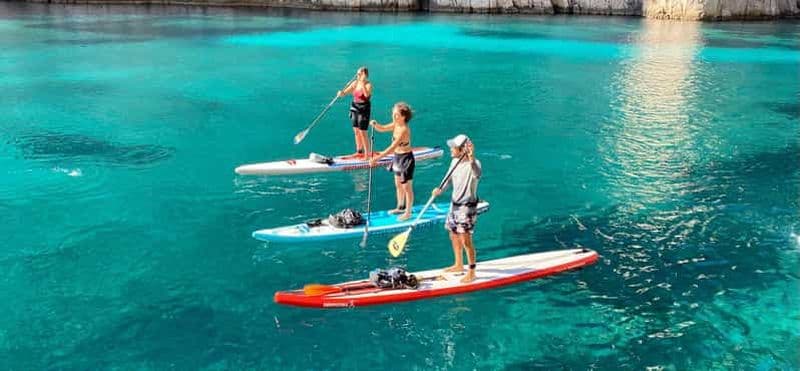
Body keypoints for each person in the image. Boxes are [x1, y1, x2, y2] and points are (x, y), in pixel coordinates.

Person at [432, 134, 481, 283]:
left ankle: (472, 272)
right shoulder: (454, 162)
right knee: (453, 234)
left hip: (467, 208)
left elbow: (477, 174)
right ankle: (459, 264)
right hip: (454, 205)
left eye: (454, 147)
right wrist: (439, 190)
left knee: (466, 240)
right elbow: (447, 180)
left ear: (463, 149)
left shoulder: (474, 164)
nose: (451, 149)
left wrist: (471, 159)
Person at [369, 102, 415, 221]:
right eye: (393, 114)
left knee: (407, 187)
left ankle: (408, 213)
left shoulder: (404, 129)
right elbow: (383, 128)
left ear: (403, 117)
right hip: (397, 157)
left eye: (396, 115)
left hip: (406, 159)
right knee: (398, 185)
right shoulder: (396, 124)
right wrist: (375, 124)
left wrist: (376, 159)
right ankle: (400, 207)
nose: (393, 116)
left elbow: (392, 147)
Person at [337, 67, 372, 158]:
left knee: (362, 131)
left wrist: (363, 83)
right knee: (356, 131)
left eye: (360, 74)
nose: (357, 76)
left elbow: (366, 95)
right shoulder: (355, 83)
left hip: (363, 108)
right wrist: (341, 93)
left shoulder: (368, 85)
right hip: (354, 107)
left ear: (365, 75)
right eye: (357, 74)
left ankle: (367, 154)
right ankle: (359, 151)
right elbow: (345, 93)